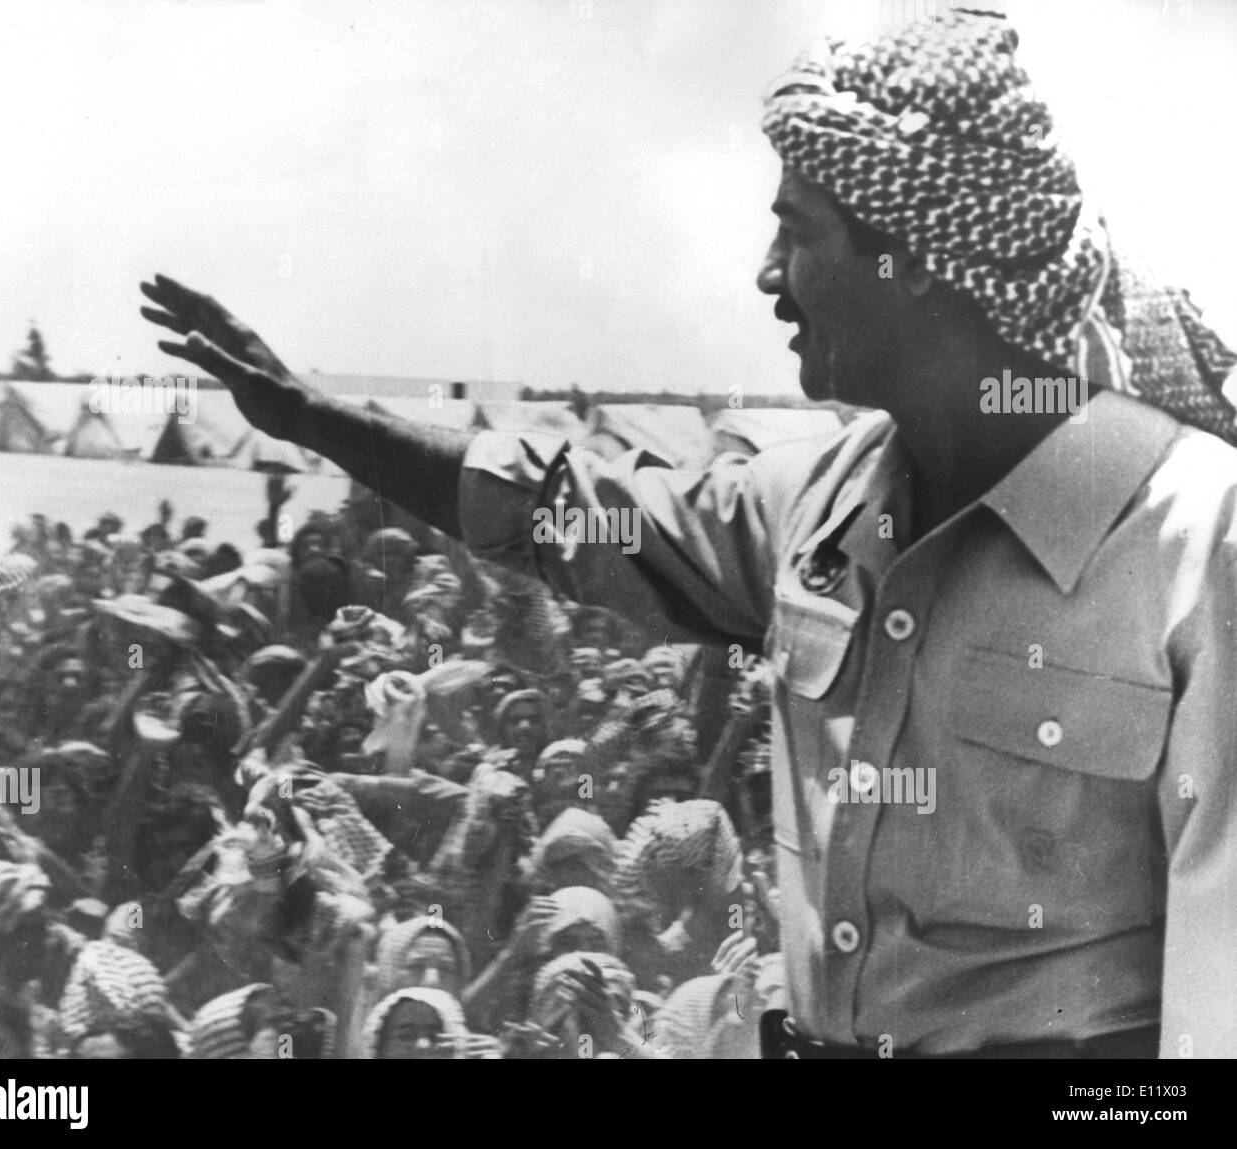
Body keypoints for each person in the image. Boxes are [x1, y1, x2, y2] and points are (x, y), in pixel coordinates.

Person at [140, 9, 1237, 1058]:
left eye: (795, 233)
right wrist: (314, 418)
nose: (767, 277)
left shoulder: (1196, 548)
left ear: (915, 259)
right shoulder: (817, 507)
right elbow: (563, 512)